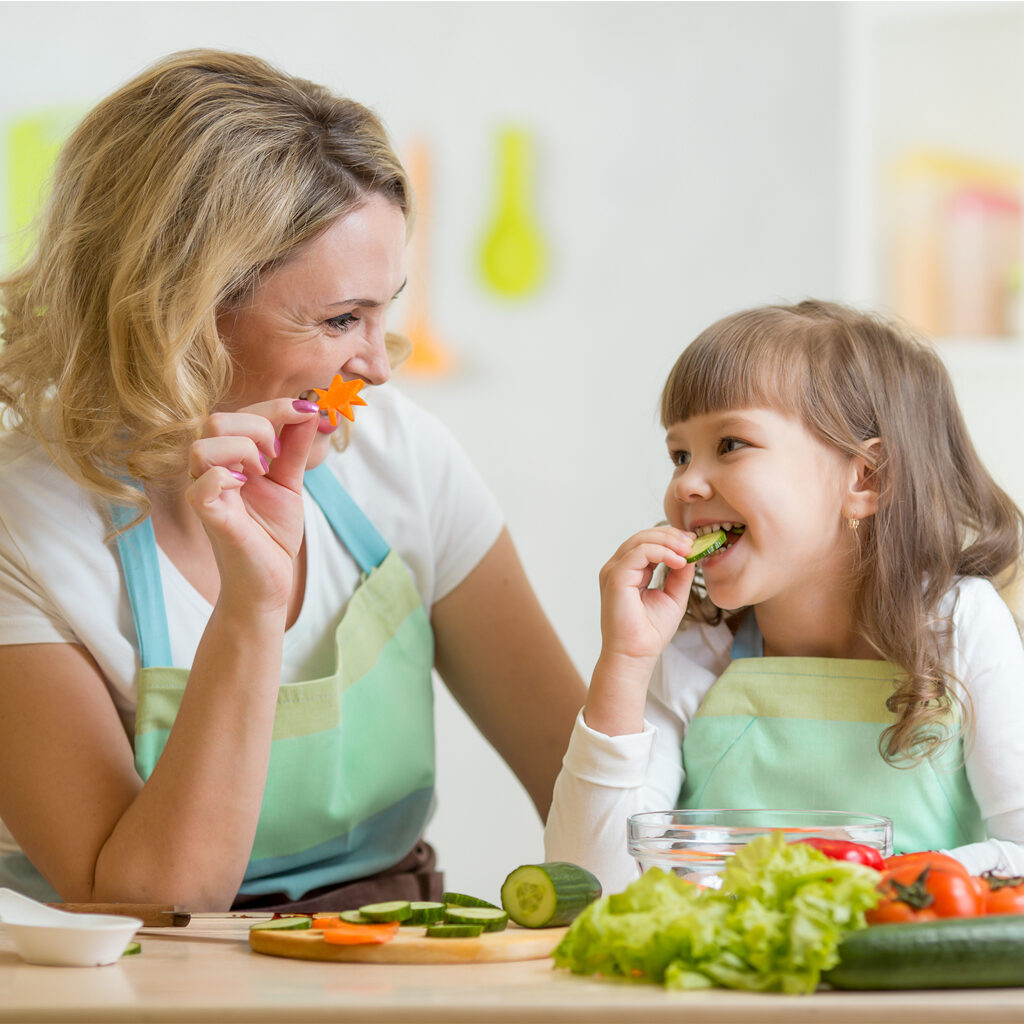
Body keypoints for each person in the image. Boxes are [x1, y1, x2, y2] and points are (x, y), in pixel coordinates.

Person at [0, 49, 585, 911]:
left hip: (381, 952)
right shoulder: (25, 522)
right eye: (342, 320)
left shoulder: (403, 457)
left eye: (387, 310)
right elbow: (145, 901)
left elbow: (583, 789)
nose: (379, 368)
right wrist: (252, 607)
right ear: (179, 312)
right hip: (132, 972)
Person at [544, 300, 1024, 893]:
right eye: (679, 454)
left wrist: (863, 881)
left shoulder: (961, 624)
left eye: (731, 444)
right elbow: (590, 879)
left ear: (865, 479)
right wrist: (625, 662)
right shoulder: (694, 650)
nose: (686, 484)